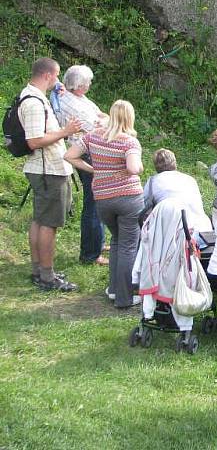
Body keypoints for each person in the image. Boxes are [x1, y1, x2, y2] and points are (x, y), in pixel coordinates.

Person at [65, 100, 144, 308]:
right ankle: (124, 298)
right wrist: (138, 166)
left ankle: (114, 289)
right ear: (129, 118)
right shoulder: (129, 142)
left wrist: (94, 170)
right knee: (128, 246)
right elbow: (134, 168)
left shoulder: (93, 136)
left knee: (117, 241)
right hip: (128, 198)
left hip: (102, 198)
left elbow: (69, 155)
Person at [18, 57, 81, 291]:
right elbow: (34, 141)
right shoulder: (34, 102)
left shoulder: (35, 97)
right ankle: (47, 276)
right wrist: (66, 131)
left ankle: (40, 270)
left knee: (40, 220)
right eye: (56, 75)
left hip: (44, 170)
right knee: (49, 224)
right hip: (48, 171)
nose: (58, 79)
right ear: (47, 75)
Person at [57, 64, 108, 266]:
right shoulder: (72, 104)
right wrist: (103, 122)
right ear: (79, 85)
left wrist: (103, 121)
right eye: (88, 82)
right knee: (93, 202)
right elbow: (97, 127)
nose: (90, 84)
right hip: (85, 153)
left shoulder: (79, 97)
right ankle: (90, 253)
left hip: (88, 149)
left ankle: (98, 242)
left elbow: (102, 116)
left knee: (98, 199)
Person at [141, 148, 212, 235]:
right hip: (202, 232)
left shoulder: (153, 181)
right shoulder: (189, 179)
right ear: (175, 162)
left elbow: (143, 206)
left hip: (174, 236)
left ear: (156, 166)